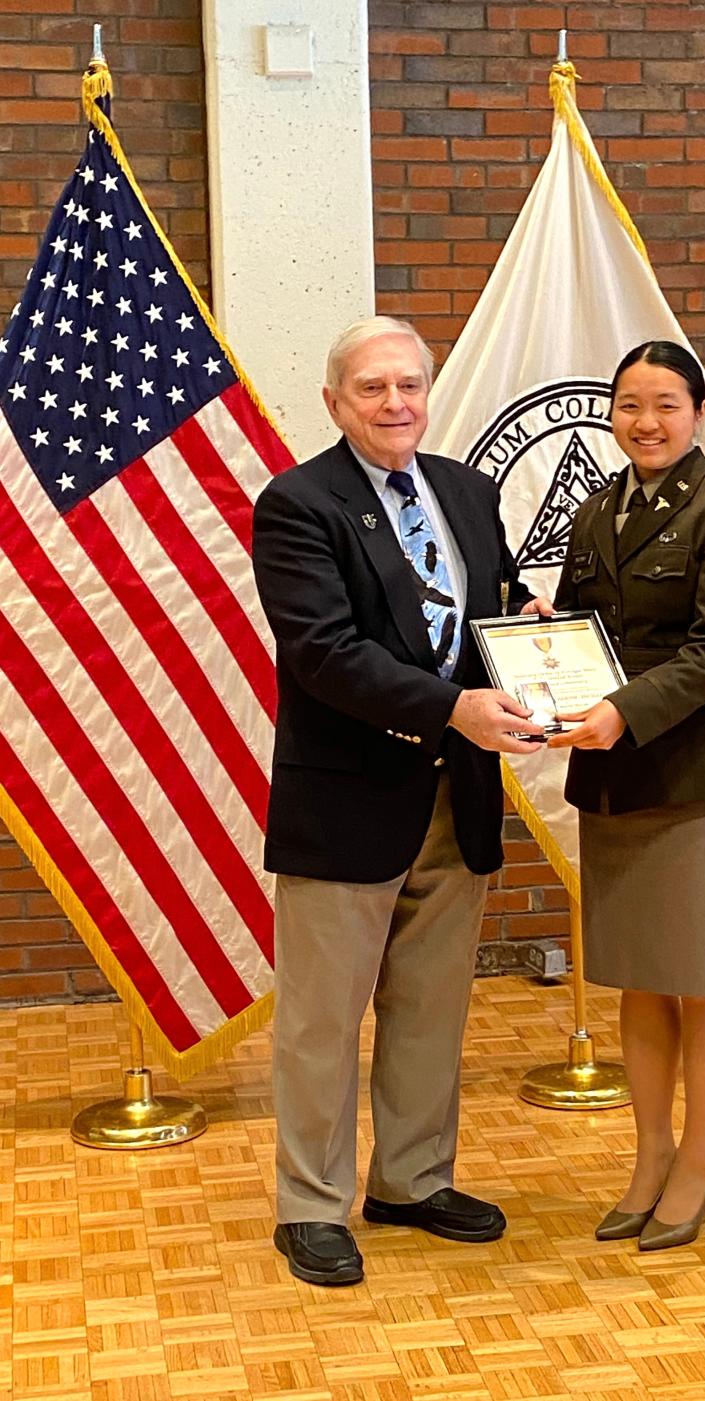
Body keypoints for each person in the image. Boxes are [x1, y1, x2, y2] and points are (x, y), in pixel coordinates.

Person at [252, 315, 553, 1287]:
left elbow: (482, 617)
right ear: (335, 401)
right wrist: (455, 707)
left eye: (409, 386)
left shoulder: (468, 491)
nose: (395, 405)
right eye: (373, 388)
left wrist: (534, 633)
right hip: (345, 802)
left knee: (430, 1010)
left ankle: (413, 1181)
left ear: (429, 394)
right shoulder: (298, 504)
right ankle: (310, 1205)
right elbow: (325, 653)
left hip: (453, 797)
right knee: (321, 1022)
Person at [549, 340, 705, 1252]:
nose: (646, 421)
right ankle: (647, 1157)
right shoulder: (598, 508)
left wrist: (619, 709)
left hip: (696, 776)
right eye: (629, 404)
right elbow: (583, 627)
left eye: (666, 404)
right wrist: (543, 636)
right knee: (639, 977)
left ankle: (696, 1160)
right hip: (614, 777)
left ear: (699, 412)